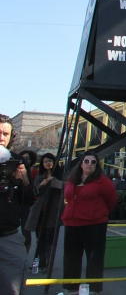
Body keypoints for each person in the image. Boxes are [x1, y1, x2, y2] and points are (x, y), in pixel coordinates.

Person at [61, 151, 118, 294]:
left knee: (94, 258)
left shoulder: (103, 181)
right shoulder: (72, 180)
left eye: (93, 162)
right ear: (81, 164)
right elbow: (67, 197)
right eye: (86, 161)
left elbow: (112, 200)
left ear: (96, 165)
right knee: (71, 257)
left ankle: (94, 289)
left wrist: (99, 213)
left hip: (94, 224)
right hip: (72, 223)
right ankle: (70, 288)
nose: (89, 164)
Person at [0, 115, 34, 295]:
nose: (1, 138)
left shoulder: (18, 161)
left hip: (9, 236)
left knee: (12, 289)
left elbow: (29, 201)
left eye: (6, 134)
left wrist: (25, 182)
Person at [25, 153, 63, 271]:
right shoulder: (39, 176)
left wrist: (53, 180)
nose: (48, 163)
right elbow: (35, 191)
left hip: (52, 210)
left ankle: (48, 262)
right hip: (40, 210)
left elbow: (63, 187)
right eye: (45, 161)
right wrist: (42, 184)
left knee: (49, 238)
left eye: (50, 161)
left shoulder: (60, 174)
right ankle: (41, 262)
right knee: (40, 238)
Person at [18, 150, 37, 255]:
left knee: (26, 231)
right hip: (17, 204)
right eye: (22, 157)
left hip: (28, 205)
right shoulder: (15, 170)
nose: (25, 160)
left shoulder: (35, 172)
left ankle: (25, 254)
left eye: (27, 158)